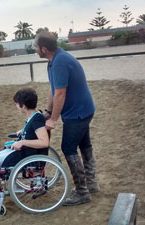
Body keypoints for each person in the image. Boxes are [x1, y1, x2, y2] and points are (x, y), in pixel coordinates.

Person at [34, 32, 99, 206]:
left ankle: (82, 192)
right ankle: (91, 184)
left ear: (44, 49)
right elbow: (54, 89)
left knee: (68, 147)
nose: (34, 49)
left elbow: (61, 93)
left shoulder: (60, 62)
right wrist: (48, 111)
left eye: (36, 46)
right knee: (84, 144)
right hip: (82, 109)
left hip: (78, 112)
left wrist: (53, 119)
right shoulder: (53, 61)